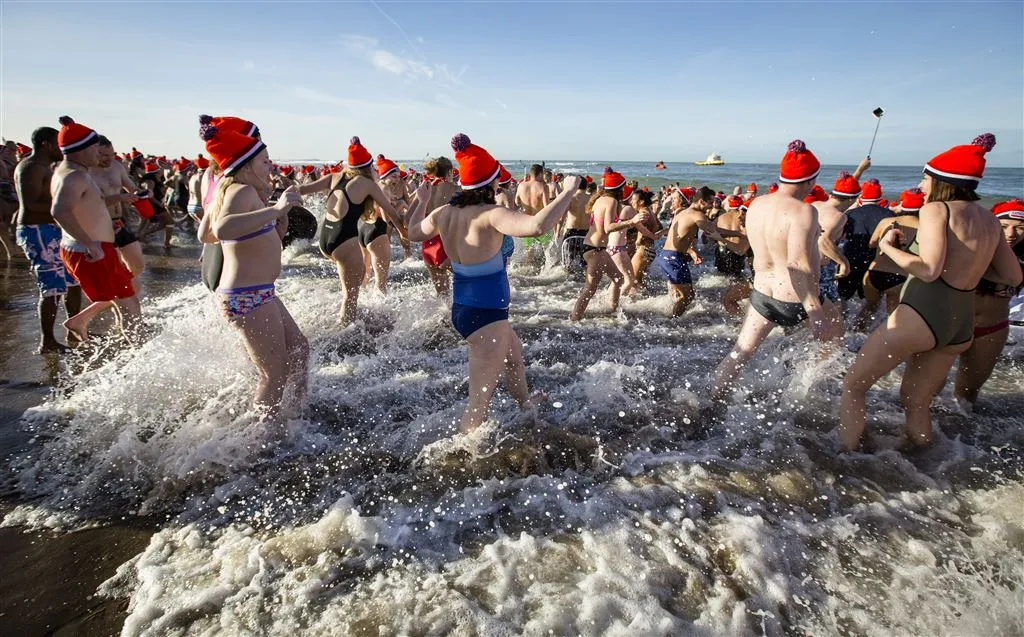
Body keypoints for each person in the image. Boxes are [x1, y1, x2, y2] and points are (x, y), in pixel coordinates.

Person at [838, 134, 1021, 451]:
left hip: (923, 312)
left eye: (925, 177)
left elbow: (928, 269)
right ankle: (926, 464)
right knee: (915, 403)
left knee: (853, 386)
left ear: (942, 181)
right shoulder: (991, 220)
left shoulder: (939, 210)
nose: (921, 185)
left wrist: (886, 248)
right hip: (960, 322)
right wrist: (969, 267)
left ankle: (845, 460)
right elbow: (1012, 275)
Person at [406, 134, 580, 433]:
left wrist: (420, 202)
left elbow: (412, 232)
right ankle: (458, 460)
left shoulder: (443, 213)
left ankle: (525, 404)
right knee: (478, 406)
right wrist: (567, 192)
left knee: (514, 355)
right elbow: (537, 226)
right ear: (490, 184)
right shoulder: (491, 214)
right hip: (485, 315)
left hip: (467, 309)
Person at [711, 140, 842, 401]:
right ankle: (806, 398)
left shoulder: (757, 204)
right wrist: (815, 312)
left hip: (762, 294)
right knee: (835, 339)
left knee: (740, 353)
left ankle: (712, 401)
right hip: (795, 298)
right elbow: (797, 264)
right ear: (810, 180)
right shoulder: (804, 211)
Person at [196, 122, 308, 412]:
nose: (270, 164)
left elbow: (204, 235)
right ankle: (259, 443)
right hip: (249, 295)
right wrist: (276, 210)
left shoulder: (227, 189)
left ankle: (293, 417)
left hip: (256, 292)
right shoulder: (241, 191)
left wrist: (276, 228)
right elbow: (221, 229)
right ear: (245, 167)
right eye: (264, 160)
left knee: (299, 351)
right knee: (273, 376)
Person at [50, 116, 141, 342]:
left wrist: (120, 198)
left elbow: (92, 204)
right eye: (95, 150)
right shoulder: (74, 176)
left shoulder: (71, 172)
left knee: (127, 292)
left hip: (94, 248)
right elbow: (59, 211)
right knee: (129, 301)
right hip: (91, 250)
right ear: (82, 150)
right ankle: (137, 349)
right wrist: (90, 244)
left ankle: (80, 321)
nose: (99, 155)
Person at [297, 137, 405, 324]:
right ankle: (346, 334)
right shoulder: (367, 184)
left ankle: (350, 320)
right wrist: (404, 233)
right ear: (367, 167)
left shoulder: (333, 177)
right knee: (350, 296)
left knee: (354, 283)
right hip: (343, 239)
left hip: (325, 238)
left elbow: (300, 190)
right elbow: (391, 213)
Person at [13, 126, 83, 352]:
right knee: (52, 287)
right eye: (57, 144)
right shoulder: (31, 167)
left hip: (52, 230)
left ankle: (75, 328)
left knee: (73, 281)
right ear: (46, 144)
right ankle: (48, 341)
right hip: (38, 230)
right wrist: (67, 208)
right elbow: (31, 204)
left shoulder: (45, 167)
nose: (61, 149)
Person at [953, 198, 1024, 409]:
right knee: (929, 390)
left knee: (968, 395)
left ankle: (960, 436)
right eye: (1004, 226)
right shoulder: (971, 243)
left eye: (1020, 227)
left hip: (992, 329)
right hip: (953, 324)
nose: (1011, 233)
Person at [570, 167, 644, 321]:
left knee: (618, 279)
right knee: (590, 289)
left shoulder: (601, 199)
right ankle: (574, 319)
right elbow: (608, 227)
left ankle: (613, 310)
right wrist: (631, 222)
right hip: (595, 249)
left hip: (595, 247)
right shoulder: (611, 201)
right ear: (619, 189)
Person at [656, 186, 730, 317]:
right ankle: (671, 322)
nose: (711, 206)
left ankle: (669, 316)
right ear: (701, 201)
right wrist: (739, 235)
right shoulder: (697, 215)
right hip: (674, 258)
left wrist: (690, 251)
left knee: (679, 295)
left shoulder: (682, 212)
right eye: (710, 202)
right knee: (688, 296)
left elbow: (677, 237)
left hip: (667, 256)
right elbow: (714, 231)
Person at [857, 188, 925, 324]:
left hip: (873, 274)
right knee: (893, 317)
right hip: (899, 277)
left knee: (869, 308)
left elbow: (872, 243)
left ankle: (855, 339)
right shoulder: (923, 226)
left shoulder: (886, 221)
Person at [89, 136, 146, 286]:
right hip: (99, 225)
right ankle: (120, 293)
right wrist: (119, 197)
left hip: (119, 220)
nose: (109, 159)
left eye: (112, 154)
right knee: (111, 267)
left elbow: (131, 187)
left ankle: (122, 287)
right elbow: (91, 204)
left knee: (138, 264)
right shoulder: (87, 172)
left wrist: (142, 193)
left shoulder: (116, 167)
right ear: (93, 152)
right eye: (104, 155)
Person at [813, 169, 865, 319]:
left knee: (812, 307)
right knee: (833, 313)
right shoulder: (838, 216)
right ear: (852, 200)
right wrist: (843, 262)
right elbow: (823, 241)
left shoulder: (816, 205)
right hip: (822, 268)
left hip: (807, 263)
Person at [418, 156, 458, 296]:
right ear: (450, 171)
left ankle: (445, 318)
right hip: (446, 244)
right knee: (473, 283)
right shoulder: (454, 189)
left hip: (428, 245)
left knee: (443, 296)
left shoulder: (425, 190)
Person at [630, 189, 664, 288]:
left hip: (643, 249)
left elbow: (643, 231)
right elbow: (659, 227)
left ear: (641, 202)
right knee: (639, 280)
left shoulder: (643, 214)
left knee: (634, 280)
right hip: (650, 250)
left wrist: (638, 241)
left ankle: (638, 301)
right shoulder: (650, 212)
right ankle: (645, 298)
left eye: (633, 200)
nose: (631, 202)